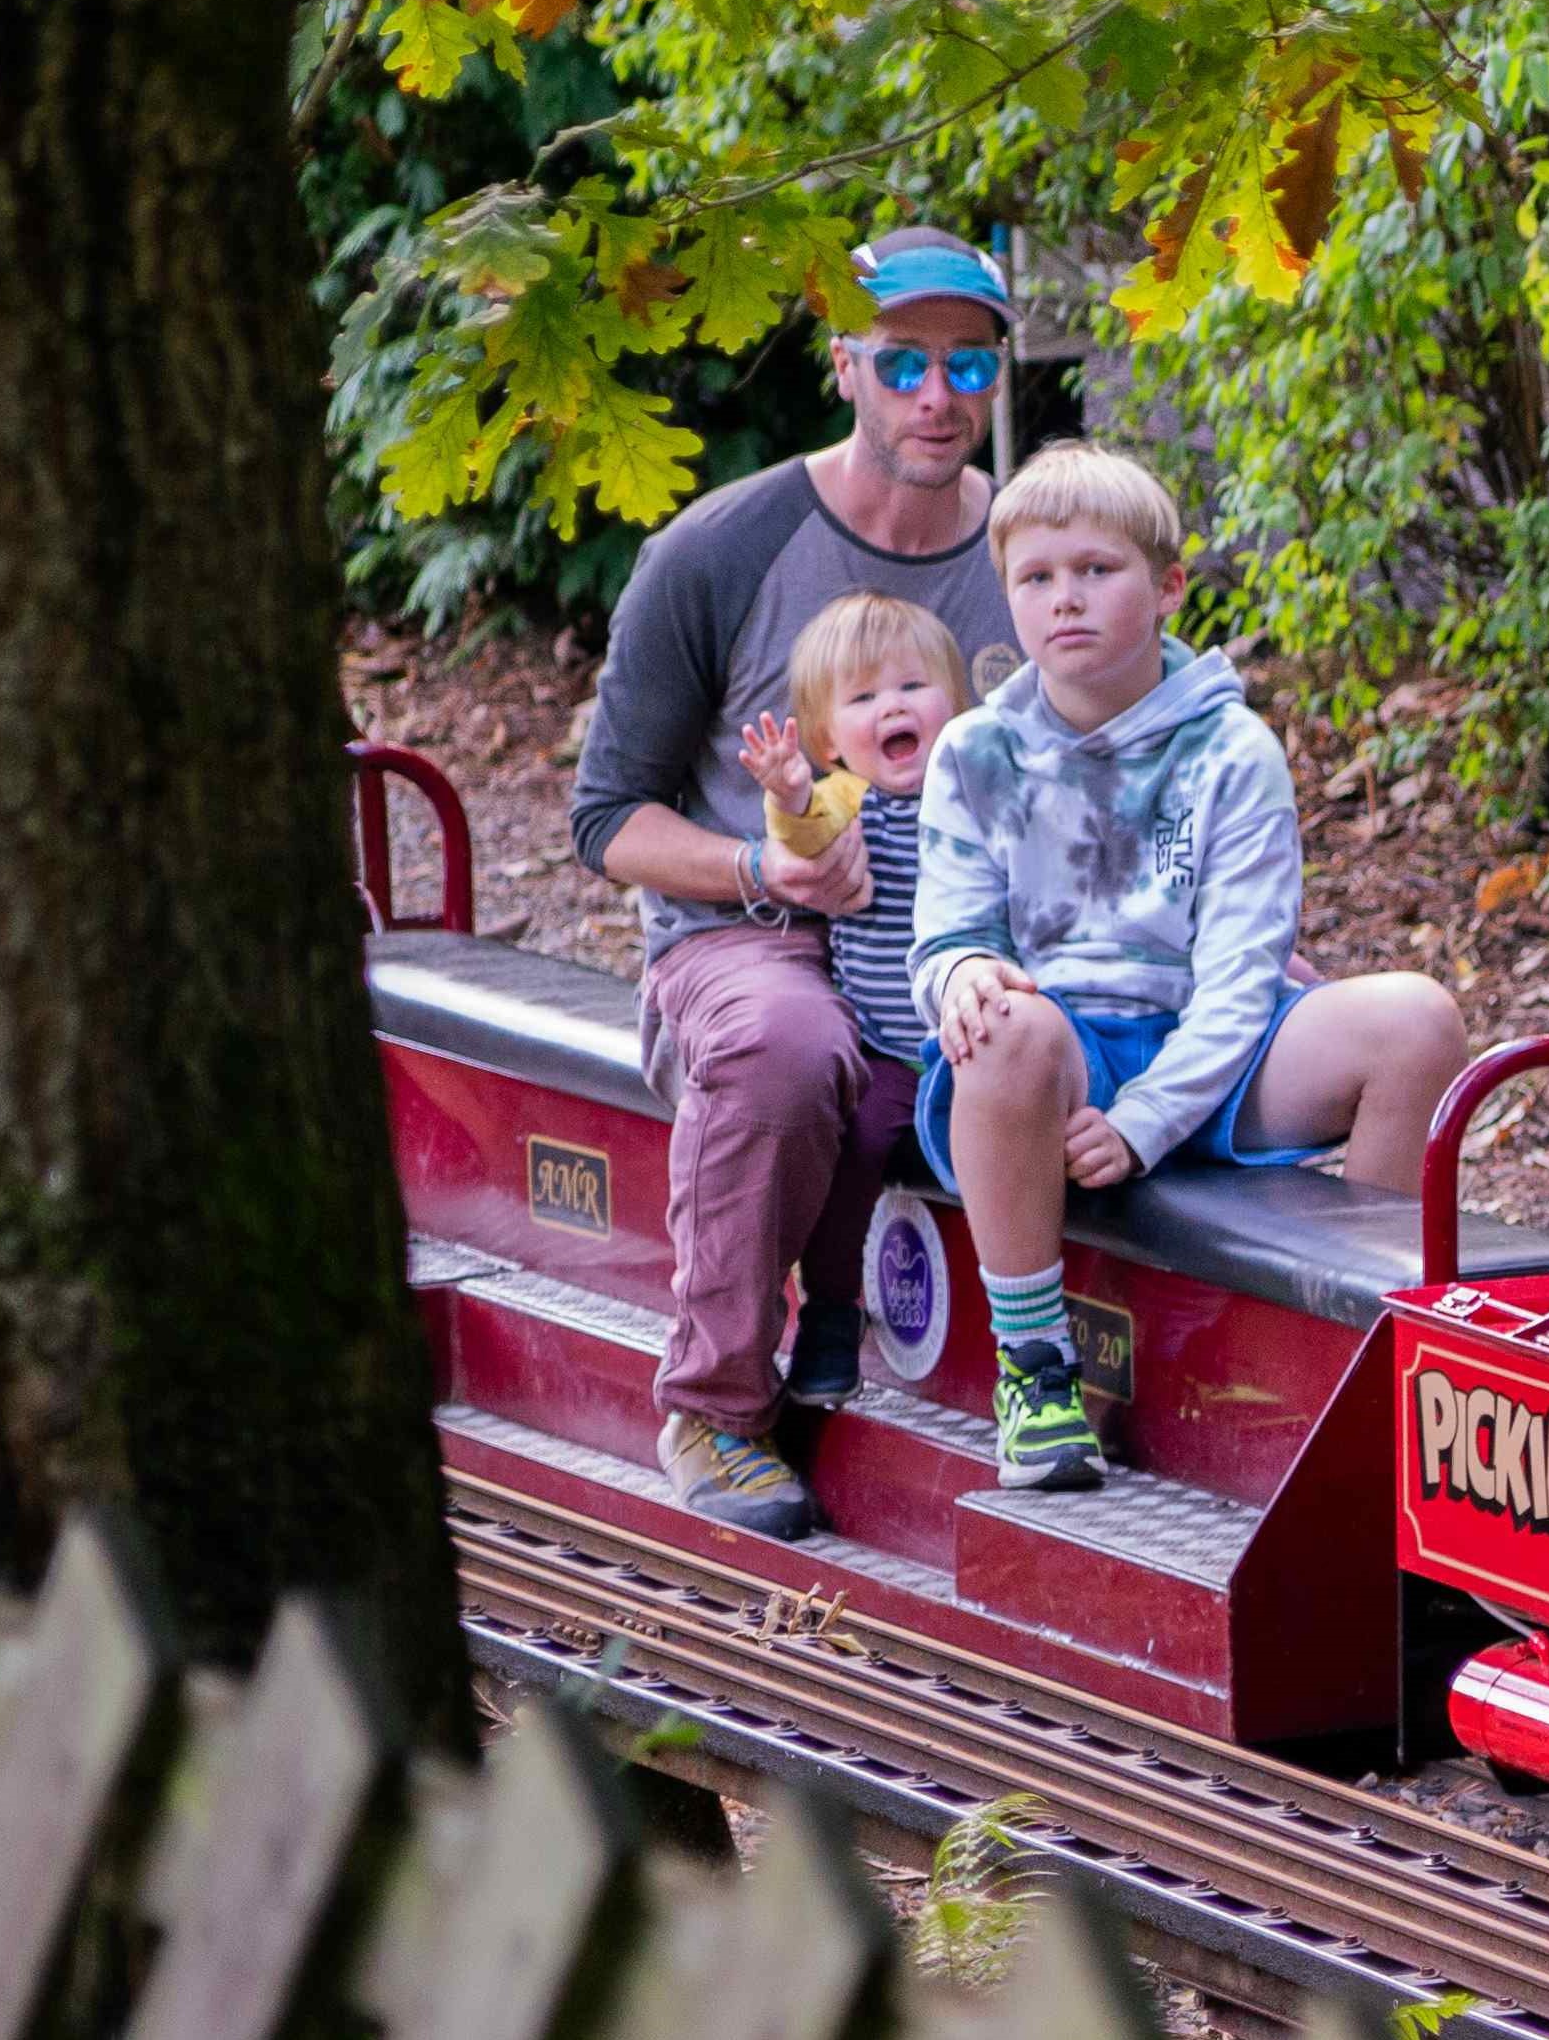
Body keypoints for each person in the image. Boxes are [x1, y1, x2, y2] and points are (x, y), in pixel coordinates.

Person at [570, 231, 1019, 1538]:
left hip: (981, 919)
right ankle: (714, 1408)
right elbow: (607, 818)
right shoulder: (719, 551)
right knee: (787, 1042)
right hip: (752, 938)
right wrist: (765, 867)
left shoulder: (1037, 548)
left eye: (966, 361)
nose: (935, 394)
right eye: (903, 361)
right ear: (845, 366)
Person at [912, 442, 1465, 1496]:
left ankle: (1351, 1352)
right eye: (1035, 578)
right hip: (1049, 1061)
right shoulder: (974, 753)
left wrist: (1147, 1119)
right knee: (1005, 1020)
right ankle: (1033, 1367)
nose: (1064, 600)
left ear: (1167, 586)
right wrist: (963, 980)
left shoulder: (1230, 749)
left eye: (1095, 570)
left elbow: (1242, 975)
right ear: (1008, 598)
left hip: (1203, 1043)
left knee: (1415, 1020)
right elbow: (944, 938)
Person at [731, 590, 974, 1404]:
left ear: (955, 703)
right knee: (856, 1143)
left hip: (982, 1034)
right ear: (832, 738)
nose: (894, 707)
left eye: (913, 687)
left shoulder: (979, 783)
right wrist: (790, 790)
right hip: (892, 1045)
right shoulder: (845, 801)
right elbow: (801, 834)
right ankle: (833, 1312)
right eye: (865, 698)